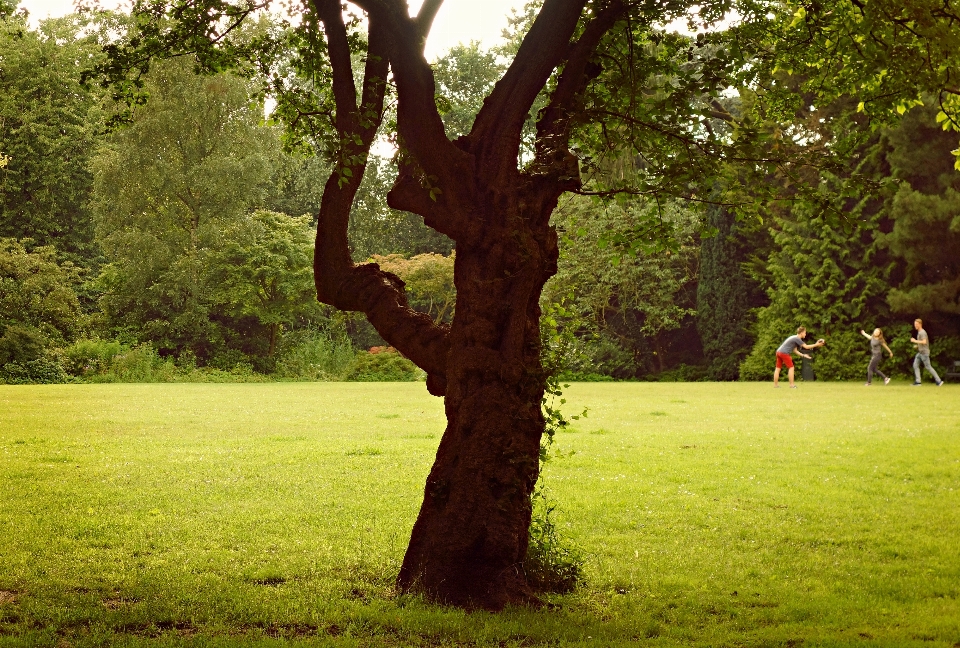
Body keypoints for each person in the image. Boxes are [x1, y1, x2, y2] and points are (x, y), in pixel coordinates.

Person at [910, 318, 943, 386]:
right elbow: (922, 342)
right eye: (915, 324)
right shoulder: (919, 332)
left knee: (928, 367)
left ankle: (939, 381)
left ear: (920, 324)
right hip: (920, 352)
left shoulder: (922, 332)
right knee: (915, 365)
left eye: (916, 324)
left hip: (924, 353)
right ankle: (918, 381)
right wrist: (917, 346)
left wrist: (915, 341)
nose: (915, 325)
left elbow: (924, 342)